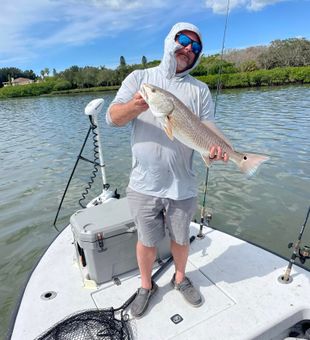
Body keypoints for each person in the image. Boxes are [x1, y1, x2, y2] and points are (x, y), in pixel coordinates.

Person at [106, 22, 228, 318]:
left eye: (196, 47)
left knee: (181, 239)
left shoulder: (200, 90)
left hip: (182, 184)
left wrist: (223, 150)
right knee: (146, 241)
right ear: (170, 41)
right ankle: (146, 286)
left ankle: (180, 278)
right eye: (184, 40)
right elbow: (112, 118)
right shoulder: (141, 78)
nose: (189, 49)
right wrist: (138, 104)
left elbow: (209, 128)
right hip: (144, 184)